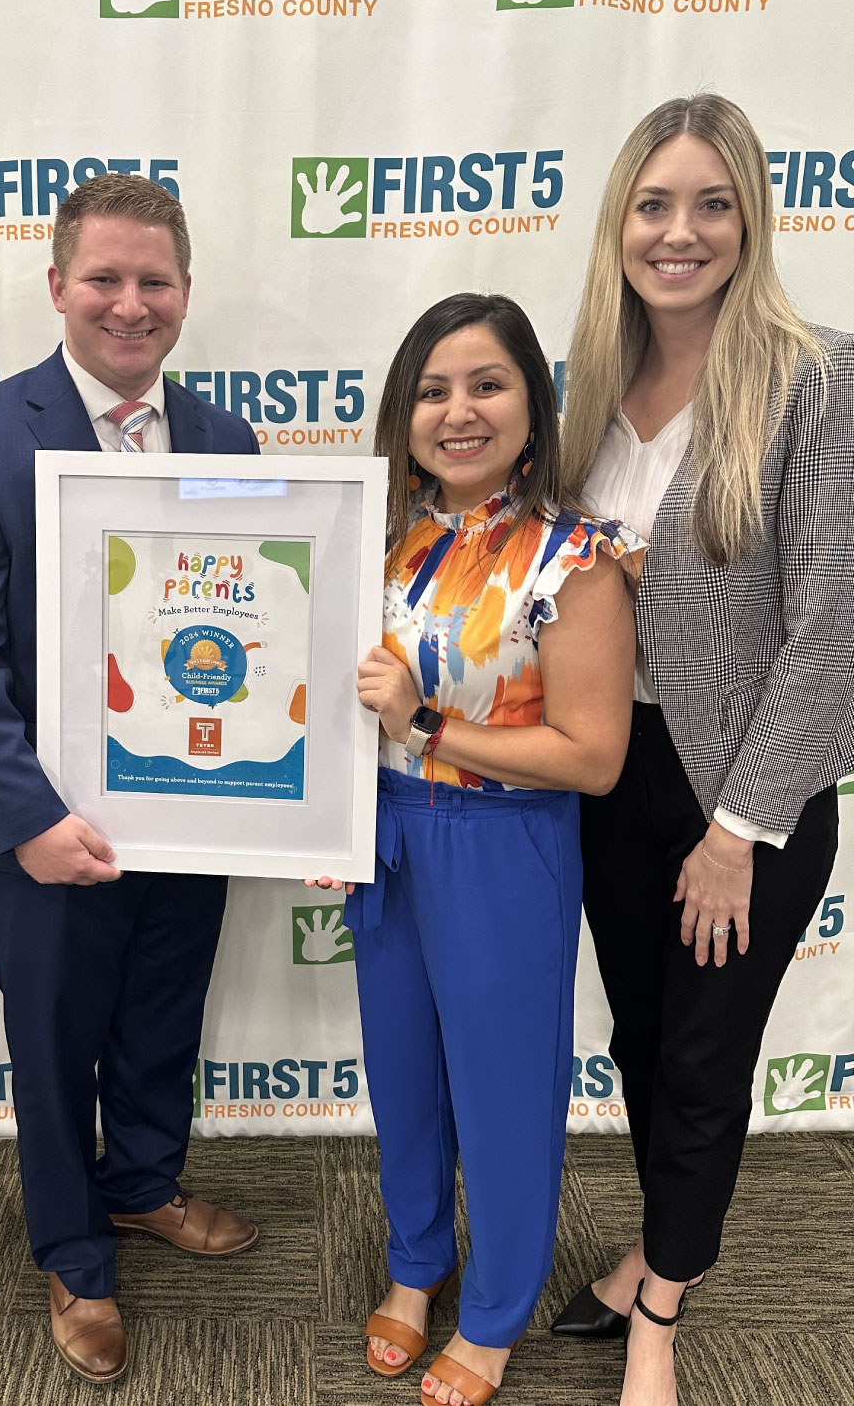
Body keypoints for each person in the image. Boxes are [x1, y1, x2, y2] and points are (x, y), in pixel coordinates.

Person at [0, 172, 260, 1387]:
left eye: (152, 280)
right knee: (53, 1044)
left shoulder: (227, 441)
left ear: (185, 293)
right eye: (103, 278)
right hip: (42, 830)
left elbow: (256, 635)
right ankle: (73, 1252)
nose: (129, 302)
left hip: (191, 811)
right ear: (57, 286)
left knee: (164, 1016)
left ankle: (144, 1187)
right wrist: (32, 820)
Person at [549, 93, 854, 1406]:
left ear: (751, 220)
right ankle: (650, 1247)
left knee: (704, 1061)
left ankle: (661, 1313)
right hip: (615, 777)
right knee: (637, 1043)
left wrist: (739, 830)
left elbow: (834, 629)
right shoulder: (592, 388)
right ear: (622, 220)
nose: (680, 232)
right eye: (656, 203)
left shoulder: (816, 378)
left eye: (711, 203)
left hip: (743, 800)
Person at [315, 293, 636, 1406]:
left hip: (505, 846)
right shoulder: (382, 535)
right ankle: (417, 1266)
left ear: (532, 408)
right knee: (403, 1076)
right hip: (390, 839)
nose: (457, 411)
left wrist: (427, 725)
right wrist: (328, 811)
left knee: (503, 1094)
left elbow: (593, 756)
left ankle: (495, 1312)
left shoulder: (575, 555)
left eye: (486, 384)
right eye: (433, 389)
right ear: (403, 412)